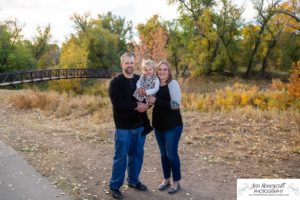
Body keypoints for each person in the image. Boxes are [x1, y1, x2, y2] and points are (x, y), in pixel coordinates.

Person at [108, 52, 148, 199]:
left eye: (131, 62)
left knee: (137, 155)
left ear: (134, 63)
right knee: (120, 157)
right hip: (123, 127)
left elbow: (145, 98)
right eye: (127, 63)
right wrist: (136, 105)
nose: (129, 65)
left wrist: (146, 105)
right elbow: (117, 103)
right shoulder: (116, 82)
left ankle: (133, 180)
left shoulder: (140, 79)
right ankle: (114, 186)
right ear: (122, 64)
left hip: (139, 126)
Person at [147, 60, 183, 194]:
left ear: (169, 72)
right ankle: (166, 179)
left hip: (172, 126)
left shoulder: (172, 84)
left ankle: (176, 181)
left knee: (171, 154)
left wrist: (156, 101)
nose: (162, 72)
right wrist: (146, 103)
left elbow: (175, 105)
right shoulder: (155, 84)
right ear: (156, 71)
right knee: (163, 154)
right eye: (160, 69)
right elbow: (151, 102)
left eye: (165, 69)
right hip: (158, 125)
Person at [133, 59, 159, 135]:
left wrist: (147, 92)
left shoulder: (156, 79)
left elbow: (156, 89)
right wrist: (139, 88)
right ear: (143, 70)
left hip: (149, 96)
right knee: (137, 107)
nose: (148, 72)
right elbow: (138, 82)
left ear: (154, 70)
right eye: (146, 70)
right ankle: (141, 124)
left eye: (150, 69)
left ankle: (147, 126)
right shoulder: (142, 76)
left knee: (143, 110)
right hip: (141, 93)